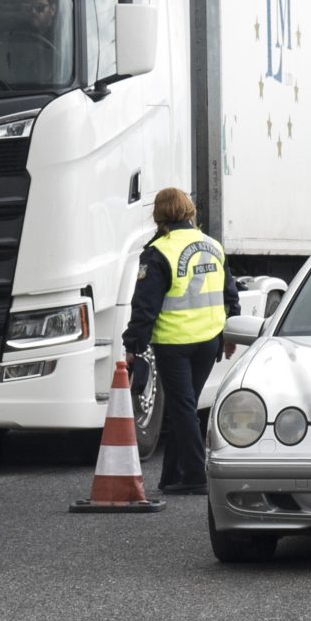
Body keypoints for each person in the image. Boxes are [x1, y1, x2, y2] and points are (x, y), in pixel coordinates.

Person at [124, 186, 228, 496]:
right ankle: (171, 477)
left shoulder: (159, 252)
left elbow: (144, 306)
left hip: (174, 342)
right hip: (209, 340)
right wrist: (228, 332)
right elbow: (229, 292)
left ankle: (196, 476)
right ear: (189, 210)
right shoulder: (212, 246)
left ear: (159, 215)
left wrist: (133, 345)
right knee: (184, 406)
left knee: (182, 408)